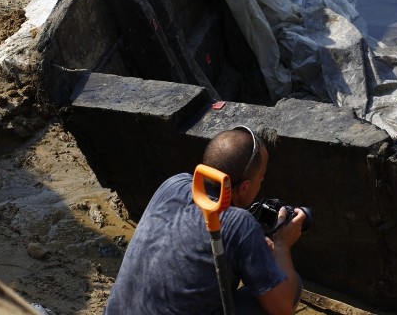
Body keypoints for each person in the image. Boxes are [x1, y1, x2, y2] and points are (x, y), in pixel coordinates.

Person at [106, 126, 305, 315]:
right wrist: (281, 244)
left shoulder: (173, 183)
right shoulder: (240, 223)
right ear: (244, 187)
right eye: (261, 179)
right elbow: (283, 306)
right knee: (289, 286)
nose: (261, 185)